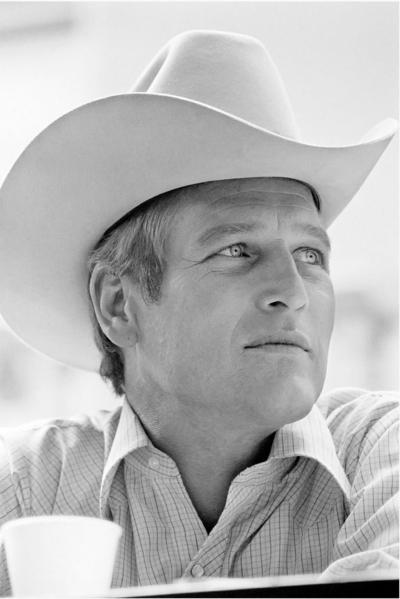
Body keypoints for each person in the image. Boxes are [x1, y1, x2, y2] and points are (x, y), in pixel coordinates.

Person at [0, 30, 398, 593]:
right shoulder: (22, 484)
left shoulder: (384, 450)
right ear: (118, 303)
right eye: (237, 250)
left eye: (311, 254)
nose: (294, 290)